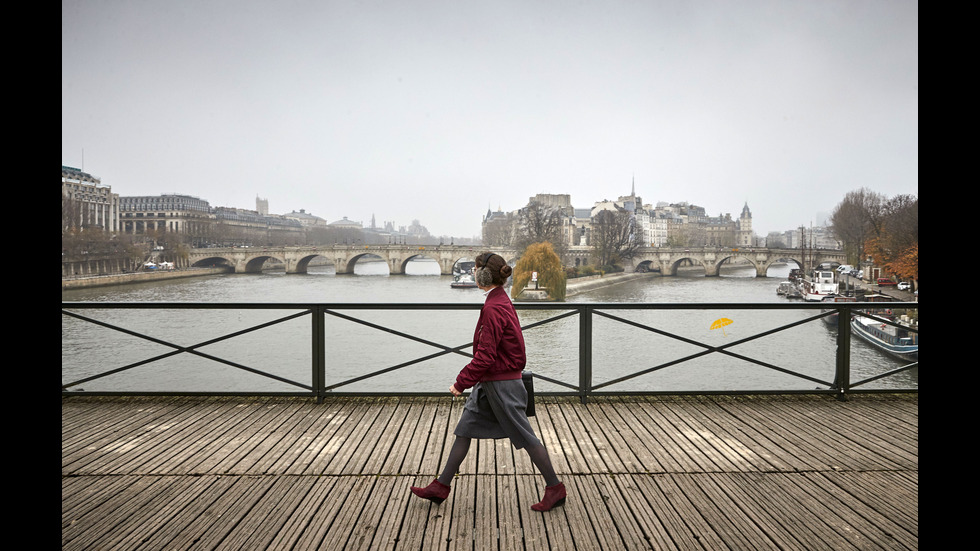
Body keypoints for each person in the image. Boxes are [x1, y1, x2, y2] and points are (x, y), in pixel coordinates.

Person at [410, 252, 567, 512]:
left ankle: (555, 488)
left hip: (502, 385)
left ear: (483, 275)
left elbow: (486, 355)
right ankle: (441, 486)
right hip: (491, 382)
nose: (472, 274)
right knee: (464, 429)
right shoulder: (501, 300)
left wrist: (461, 382)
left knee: (527, 438)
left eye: (474, 270)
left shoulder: (493, 308)